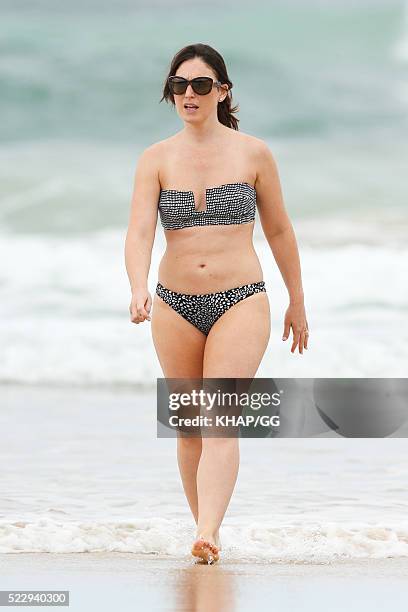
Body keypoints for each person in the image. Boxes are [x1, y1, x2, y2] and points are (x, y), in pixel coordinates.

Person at [124, 43, 309, 565]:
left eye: (201, 85)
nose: (189, 93)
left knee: (218, 419)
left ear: (222, 91)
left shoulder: (253, 153)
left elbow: (278, 228)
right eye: (179, 84)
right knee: (188, 427)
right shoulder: (155, 158)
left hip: (241, 300)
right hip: (174, 303)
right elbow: (139, 232)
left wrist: (297, 299)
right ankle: (204, 533)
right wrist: (138, 286)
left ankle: (208, 530)